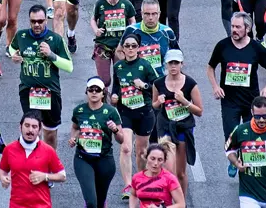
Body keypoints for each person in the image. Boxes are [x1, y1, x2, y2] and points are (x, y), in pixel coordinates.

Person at [207, 12, 266, 150]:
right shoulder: (223, 46)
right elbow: (210, 67)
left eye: (238, 27)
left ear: (248, 29)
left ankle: (246, 165)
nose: (234, 30)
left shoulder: (256, 48)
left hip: (250, 101)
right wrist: (215, 87)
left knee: (250, 139)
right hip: (229, 101)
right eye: (233, 26)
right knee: (230, 136)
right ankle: (233, 160)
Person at [9, 5, 74, 148]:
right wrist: (14, 55)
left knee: (50, 134)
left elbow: (69, 67)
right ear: (29, 21)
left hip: (50, 92)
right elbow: (12, 47)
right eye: (33, 21)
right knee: (32, 130)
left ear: (46, 20)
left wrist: (51, 55)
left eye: (40, 21)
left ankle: (50, 166)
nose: (37, 24)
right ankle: (34, 165)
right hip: (28, 91)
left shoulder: (56, 39)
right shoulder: (21, 36)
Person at [110, 34, 159, 200]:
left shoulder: (145, 65)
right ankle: (128, 185)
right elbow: (115, 89)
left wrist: (144, 85)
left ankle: (141, 181)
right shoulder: (118, 67)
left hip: (144, 113)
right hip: (126, 112)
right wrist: (114, 97)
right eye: (127, 46)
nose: (130, 49)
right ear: (122, 48)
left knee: (141, 151)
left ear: (138, 48)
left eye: (133, 46)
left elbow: (158, 87)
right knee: (125, 148)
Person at [152, 49, 203, 196]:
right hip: (165, 127)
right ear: (166, 65)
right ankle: (167, 201)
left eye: (176, 63)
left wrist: (185, 102)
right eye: (170, 63)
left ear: (182, 64)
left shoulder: (190, 84)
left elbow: (199, 111)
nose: (173, 66)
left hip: (183, 128)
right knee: (167, 169)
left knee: (180, 173)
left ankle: (182, 202)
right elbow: (154, 105)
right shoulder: (158, 83)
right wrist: (158, 102)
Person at [68, 77, 123, 208]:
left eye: (97, 90)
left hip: (105, 159)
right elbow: (75, 128)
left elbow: (121, 139)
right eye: (91, 90)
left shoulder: (111, 111)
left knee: (99, 201)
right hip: (83, 158)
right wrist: (73, 138)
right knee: (91, 202)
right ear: (86, 92)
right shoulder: (79, 110)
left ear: (103, 93)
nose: (94, 92)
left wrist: (114, 129)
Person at [0, 111, 67, 208]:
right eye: (27, 125)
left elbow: (62, 176)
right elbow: (2, 170)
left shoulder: (48, 151)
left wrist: (45, 176)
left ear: (39, 130)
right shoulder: (9, 149)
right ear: (20, 127)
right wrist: (2, 178)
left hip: (42, 205)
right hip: (16, 205)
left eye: (34, 127)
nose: (30, 130)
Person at [92, 0, 137, 89]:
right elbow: (93, 19)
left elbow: (132, 21)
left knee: (121, 77)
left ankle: (118, 101)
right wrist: (96, 30)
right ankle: (103, 101)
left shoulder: (126, 4)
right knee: (104, 80)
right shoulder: (100, 4)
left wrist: (130, 34)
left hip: (121, 46)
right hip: (103, 45)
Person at [118, 0, 179, 77]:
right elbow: (119, 51)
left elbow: (177, 56)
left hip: (160, 80)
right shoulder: (131, 30)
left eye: (154, 14)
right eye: (147, 14)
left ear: (159, 14)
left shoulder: (167, 32)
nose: (150, 18)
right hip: (138, 79)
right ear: (142, 14)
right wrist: (130, 67)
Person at [129, 143, 186, 208]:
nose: (156, 163)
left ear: (164, 161)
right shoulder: (137, 178)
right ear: (146, 157)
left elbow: (181, 204)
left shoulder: (170, 179)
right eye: (152, 158)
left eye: (160, 160)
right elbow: (133, 195)